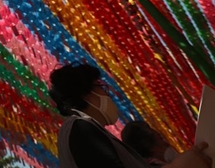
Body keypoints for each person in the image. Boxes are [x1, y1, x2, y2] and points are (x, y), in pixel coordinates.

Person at [49, 63, 211, 168]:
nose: (108, 94)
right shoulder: (80, 129)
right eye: (100, 87)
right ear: (86, 94)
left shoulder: (81, 131)